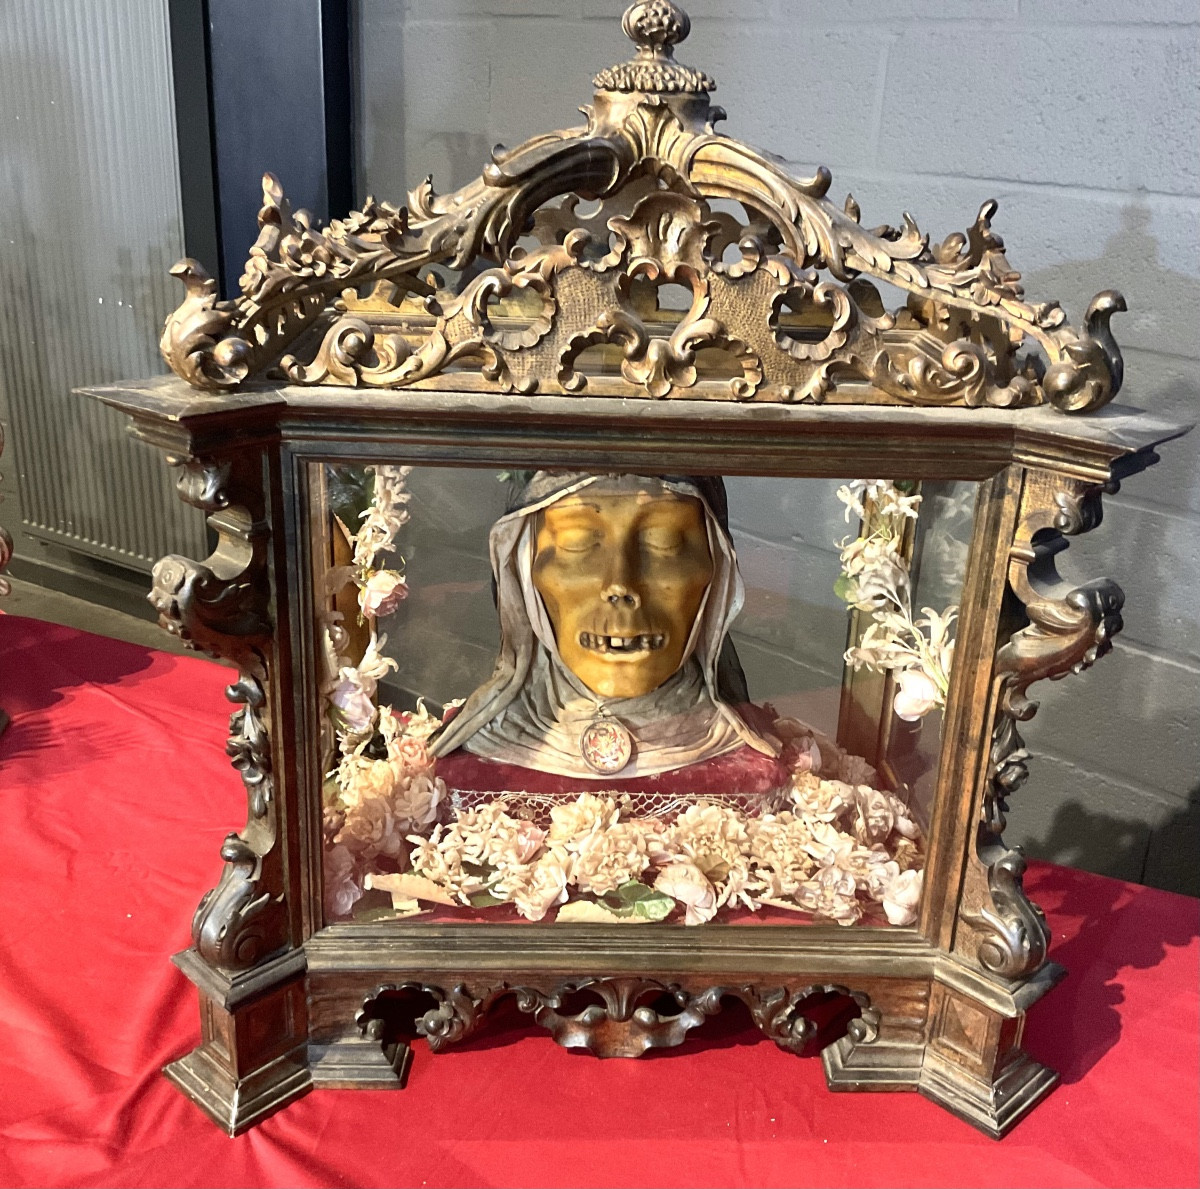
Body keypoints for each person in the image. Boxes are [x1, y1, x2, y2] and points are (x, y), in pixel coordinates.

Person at [431, 471, 793, 814]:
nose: (620, 584)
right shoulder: (466, 765)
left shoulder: (764, 768)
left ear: (717, 570)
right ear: (523, 567)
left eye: (662, 540)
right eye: (577, 543)